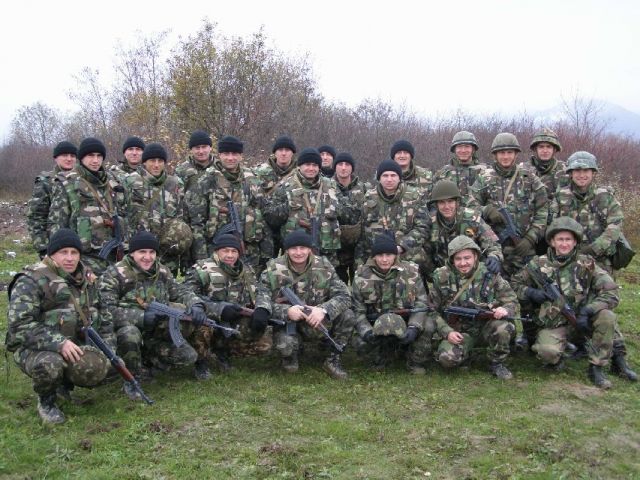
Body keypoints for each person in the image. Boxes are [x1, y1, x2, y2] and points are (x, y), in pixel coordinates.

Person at [6, 229, 114, 423]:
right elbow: (19, 325)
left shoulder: (86, 278)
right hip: (34, 347)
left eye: (74, 252)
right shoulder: (31, 280)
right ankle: (47, 401)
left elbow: (104, 314)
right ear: (51, 254)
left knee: (97, 368)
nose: (70, 258)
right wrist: (59, 343)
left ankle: (64, 387)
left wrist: (109, 350)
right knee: (51, 364)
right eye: (63, 252)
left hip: (74, 341)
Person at [510, 217, 631, 388]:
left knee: (607, 316)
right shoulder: (537, 264)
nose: (564, 244)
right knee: (547, 352)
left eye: (568, 239)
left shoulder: (587, 263)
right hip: (554, 323)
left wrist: (589, 311)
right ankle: (562, 353)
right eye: (560, 239)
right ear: (552, 241)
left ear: (575, 242)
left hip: (583, 320)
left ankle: (596, 367)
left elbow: (611, 291)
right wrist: (530, 292)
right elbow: (514, 284)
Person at [98, 231, 203, 398]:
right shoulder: (114, 274)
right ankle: (132, 377)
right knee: (130, 333)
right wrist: (141, 317)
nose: (147, 257)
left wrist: (195, 304)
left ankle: (148, 362)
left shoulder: (162, 271)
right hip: (125, 334)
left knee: (187, 355)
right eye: (142, 252)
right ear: (132, 253)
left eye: (152, 252)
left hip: (153, 333)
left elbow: (180, 291)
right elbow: (105, 311)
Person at [252, 229, 355, 379]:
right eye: (294, 248)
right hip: (289, 323)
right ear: (287, 250)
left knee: (348, 315)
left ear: (309, 249)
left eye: (303, 248)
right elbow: (262, 300)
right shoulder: (273, 269)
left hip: (318, 321)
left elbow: (345, 296)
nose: (298, 252)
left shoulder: (324, 266)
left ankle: (333, 359)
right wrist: (287, 311)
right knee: (288, 352)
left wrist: (323, 310)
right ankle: (291, 356)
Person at [428, 235, 518, 379]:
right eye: (458, 259)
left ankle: (497, 363)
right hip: (459, 332)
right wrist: (447, 332)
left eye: (467, 258)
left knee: (503, 328)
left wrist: (505, 309)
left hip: (486, 328)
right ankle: (466, 354)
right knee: (447, 358)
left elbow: (511, 300)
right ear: (451, 259)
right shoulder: (441, 276)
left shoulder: (489, 273)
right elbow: (431, 310)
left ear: (475, 256)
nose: (463, 263)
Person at [180, 234, 269, 379]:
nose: (230, 255)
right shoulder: (201, 269)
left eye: (234, 251)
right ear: (217, 251)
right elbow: (186, 295)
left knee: (265, 343)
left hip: (234, 318)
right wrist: (218, 309)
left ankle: (223, 353)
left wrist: (262, 308)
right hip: (208, 319)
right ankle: (201, 362)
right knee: (202, 328)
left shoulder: (246, 270)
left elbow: (261, 291)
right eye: (225, 251)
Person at [186, 135, 270, 271]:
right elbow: (197, 224)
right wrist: (202, 258)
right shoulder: (206, 180)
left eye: (234, 154)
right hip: (216, 249)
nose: (230, 158)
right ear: (219, 155)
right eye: (226, 154)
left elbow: (263, 216)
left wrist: (266, 253)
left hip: (249, 250)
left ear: (241, 156)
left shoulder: (253, 179)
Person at [351, 234, 433, 373]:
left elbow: (421, 302)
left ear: (395, 254)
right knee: (360, 342)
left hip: (407, 320)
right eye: (380, 255)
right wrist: (367, 332)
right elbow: (357, 310)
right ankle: (381, 357)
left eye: (388, 255)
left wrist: (414, 327)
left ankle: (415, 361)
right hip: (376, 324)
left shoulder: (411, 271)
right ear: (374, 256)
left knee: (428, 325)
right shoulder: (361, 275)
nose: (384, 259)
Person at [470, 132, 548, 277]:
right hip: (495, 248)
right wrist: (486, 210)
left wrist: (530, 238)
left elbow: (543, 210)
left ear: (516, 154)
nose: (505, 157)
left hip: (524, 247)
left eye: (509, 152)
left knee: (529, 282)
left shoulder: (529, 178)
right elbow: (469, 206)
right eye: (501, 153)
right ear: (495, 155)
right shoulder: (484, 178)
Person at [48, 137, 128, 275]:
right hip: (83, 259)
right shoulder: (67, 183)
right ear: (82, 158)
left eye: (99, 156)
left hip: (114, 255)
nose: (95, 160)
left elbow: (125, 214)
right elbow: (57, 225)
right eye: (91, 155)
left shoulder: (112, 182)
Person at [264, 148, 343, 263]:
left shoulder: (331, 185)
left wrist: (334, 208)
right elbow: (270, 217)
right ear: (300, 166)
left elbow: (345, 213)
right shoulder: (286, 186)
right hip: (296, 252)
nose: (311, 168)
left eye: (315, 165)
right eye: (307, 165)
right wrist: (288, 207)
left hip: (326, 251)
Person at [123, 142, 191, 275]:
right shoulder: (130, 182)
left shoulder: (175, 184)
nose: (156, 165)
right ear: (144, 162)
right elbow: (122, 215)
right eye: (152, 160)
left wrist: (183, 254)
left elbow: (181, 218)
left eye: (160, 161)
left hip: (167, 254)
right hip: (139, 252)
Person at [550, 151, 623, 274]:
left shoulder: (606, 197)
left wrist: (593, 249)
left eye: (586, 171)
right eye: (577, 171)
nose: (582, 175)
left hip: (599, 260)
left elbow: (615, 226)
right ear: (571, 173)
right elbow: (552, 226)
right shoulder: (560, 196)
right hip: (566, 259)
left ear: (593, 173)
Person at [356, 159, 431, 275]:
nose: (389, 179)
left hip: (407, 255)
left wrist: (402, 246)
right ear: (379, 178)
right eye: (385, 176)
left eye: (393, 175)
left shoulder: (415, 197)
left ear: (399, 178)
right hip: (378, 258)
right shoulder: (369, 198)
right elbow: (363, 232)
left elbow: (423, 227)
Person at [425, 180, 503, 273]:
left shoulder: (472, 218)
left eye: (450, 201)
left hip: (471, 270)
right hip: (443, 272)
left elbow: (492, 242)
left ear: (457, 202)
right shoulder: (430, 222)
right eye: (442, 202)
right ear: (436, 205)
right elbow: (424, 250)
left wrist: (494, 256)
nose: (446, 206)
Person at [27, 141, 77, 256]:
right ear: (56, 158)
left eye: (72, 156)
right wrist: (43, 247)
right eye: (64, 155)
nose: (69, 159)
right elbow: (36, 216)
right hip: (55, 243)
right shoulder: (46, 181)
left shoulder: (81, 180)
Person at [254, 135, 298, 256]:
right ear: (275, 152)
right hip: (264, 226)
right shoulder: (259, 172)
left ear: (292, 153)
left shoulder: (299, 174)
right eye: (280, 150)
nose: (283, 153)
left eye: (287, 150)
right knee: (265, 261)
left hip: (289, 225)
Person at [332, 152, 370, 283]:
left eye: (347, 164)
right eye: (340, 164)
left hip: (359, 247)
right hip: (335, 246)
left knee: (360, 283)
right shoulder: (326, 187)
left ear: (352, 168)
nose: (343, 168)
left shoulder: (364, 188)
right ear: (335, 167)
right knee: (337, 284)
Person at [433, 131, 486, 205]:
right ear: (454, 149)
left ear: (473, 149)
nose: (463, 151)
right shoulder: (443, 174)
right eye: (459, 147)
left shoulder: (485, 172)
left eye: (467, 146)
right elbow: (434, 201)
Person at [175, 130, 215, 194]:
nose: (201, 151)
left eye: (204, 147)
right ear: (191, 150)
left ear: (210, 148)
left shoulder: (221, 168)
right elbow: (175, 196)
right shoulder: (181, 170)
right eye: (197, 148)